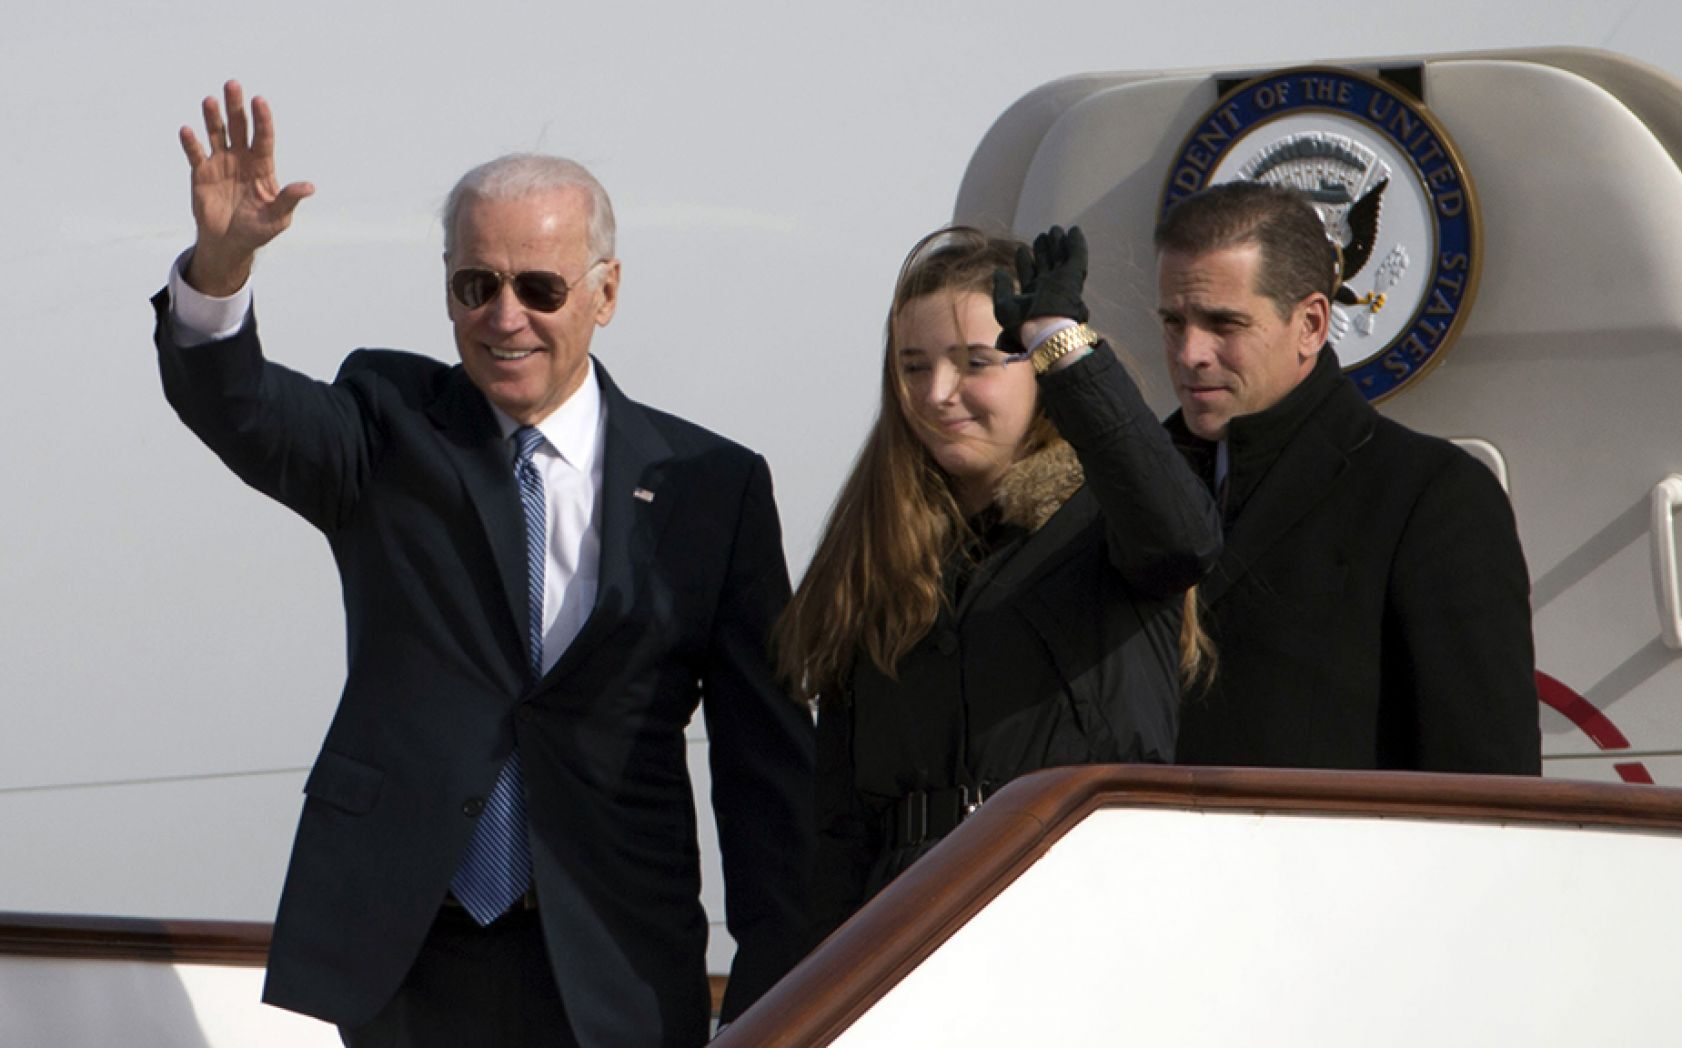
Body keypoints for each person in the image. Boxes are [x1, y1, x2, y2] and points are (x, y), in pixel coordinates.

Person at [153, 82, 812, 1047]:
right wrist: (219, 269)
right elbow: (237, 404)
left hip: (617, 957)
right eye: (476, 285)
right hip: (410, 950)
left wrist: (778, 990)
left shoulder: (712, 486)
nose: (506, 317)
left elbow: (767, 769)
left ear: (606, 292)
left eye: (540, 287)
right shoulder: (387, 421)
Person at [776, 226, 1222, 939]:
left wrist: (1062, 342)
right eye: (914, 367)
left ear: (1038, 370)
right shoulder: (873, 549)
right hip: (906, 925)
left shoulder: (1109, 516)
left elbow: (1184, 540)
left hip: (1081, 908)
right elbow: (839, 825)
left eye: (974, 362)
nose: (938, 394)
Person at [1154, 180, 1540, 773]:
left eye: (1223, 325)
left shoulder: (1429, 495)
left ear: (1310, 324)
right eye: (1174, 322)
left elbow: (1486, 781)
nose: (1189, 353)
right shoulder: (1126, 487)